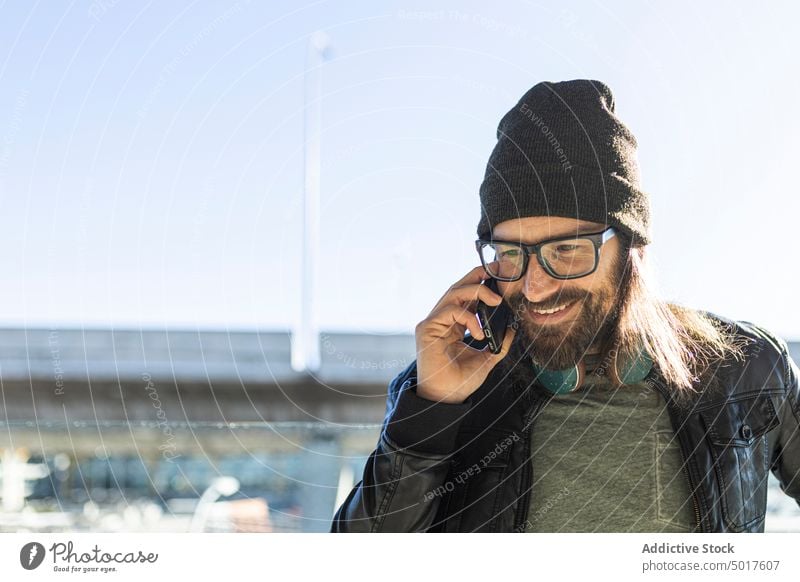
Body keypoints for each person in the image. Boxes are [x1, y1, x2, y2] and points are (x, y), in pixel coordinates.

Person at [330, 79, 800, 533]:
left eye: (567, 249)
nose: (534, 288)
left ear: (631, 247)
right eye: (510, 253)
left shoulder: (750, 370)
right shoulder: (443, 386)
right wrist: (431, 413)